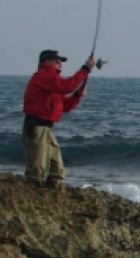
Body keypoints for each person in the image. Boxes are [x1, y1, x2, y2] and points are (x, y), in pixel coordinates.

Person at [22, 49, 96, 188]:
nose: (60, 65)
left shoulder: (52, 82)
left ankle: (52, 195)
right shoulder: (42, 77)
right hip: (36, 128)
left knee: (56, 171)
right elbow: (67, 86)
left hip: (47, 130)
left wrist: (77, 96)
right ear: (48, 62)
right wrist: (85, 69)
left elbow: (65, 107)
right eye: (58, 62)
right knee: (36, 172)